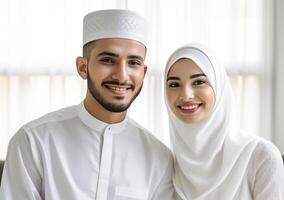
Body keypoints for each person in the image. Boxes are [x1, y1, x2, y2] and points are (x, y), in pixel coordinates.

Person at [0, 9, 174, 200]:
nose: (122, 75)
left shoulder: (159, 158)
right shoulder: (33, 141)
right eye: (108, 60)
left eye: (133, 62)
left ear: (143, 71)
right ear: (83, 67)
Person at [164, 43, 284, 200]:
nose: (186, 95)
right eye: (174, 84)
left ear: (219, 86)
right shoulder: (166, 164)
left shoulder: (260, 156)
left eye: (199, 82)